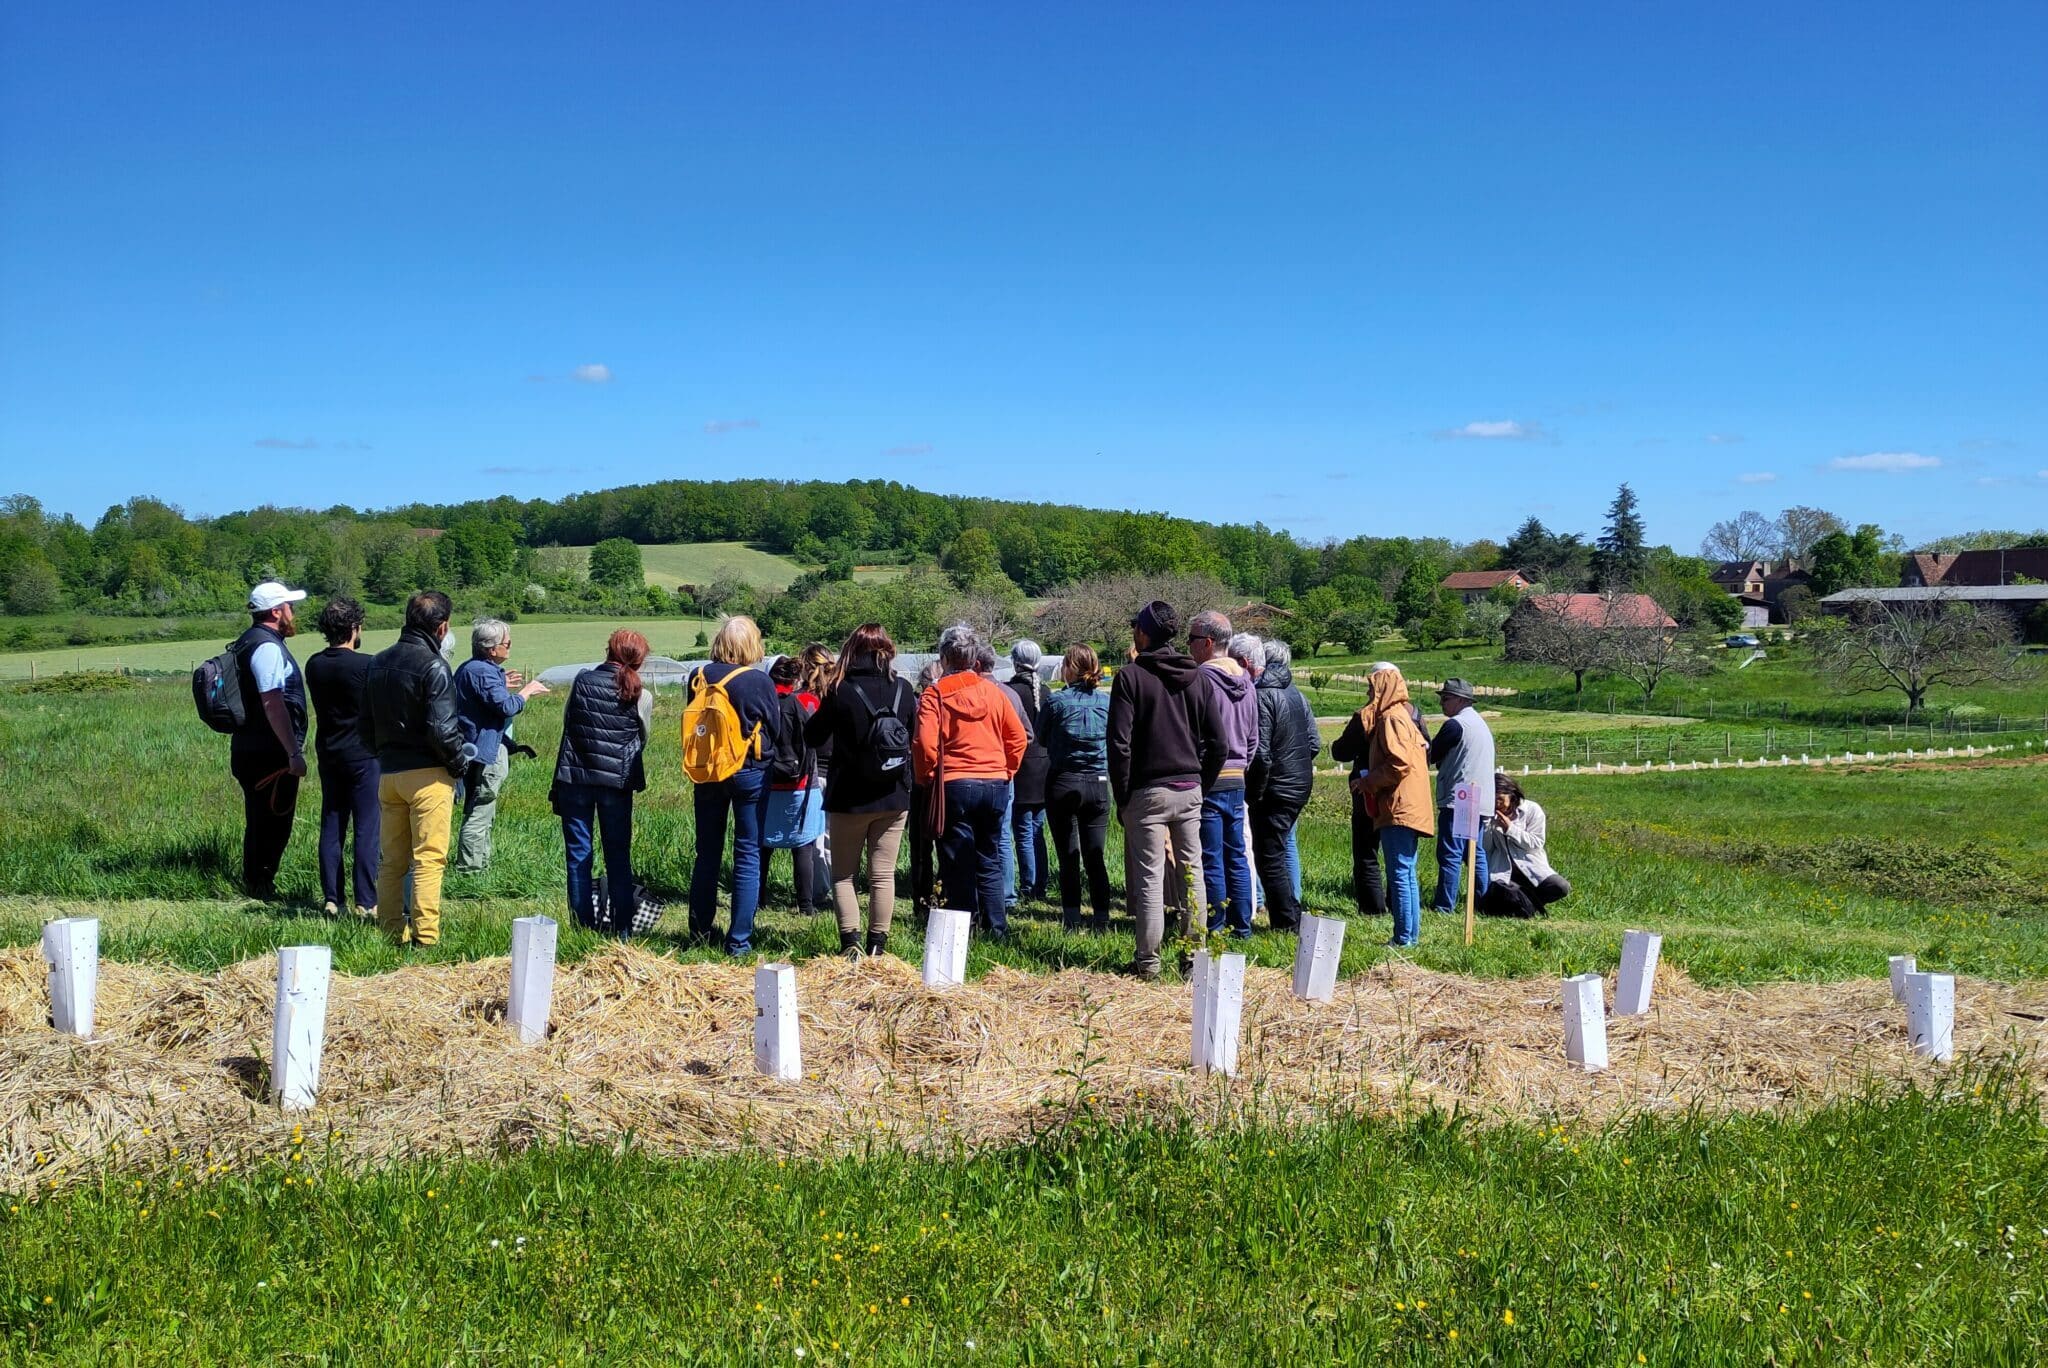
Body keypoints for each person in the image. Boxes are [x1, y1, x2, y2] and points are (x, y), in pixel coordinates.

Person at [1108, 600, 1224, 979]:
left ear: (1143, 633)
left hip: (1147, 791)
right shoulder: (1198, 677)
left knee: (1150, 878)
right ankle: (1194, 960)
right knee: (1193, 873)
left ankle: (1149, 964)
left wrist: (1122, 796)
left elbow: (1119, 744)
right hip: (1189, 788)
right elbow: (1219, 743)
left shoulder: (1130, 677)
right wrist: (1200, 785)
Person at [360, 590, 468, 947]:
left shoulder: (377, 661)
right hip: (428, 774)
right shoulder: (434, 666)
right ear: (443, 627)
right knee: (429, 859)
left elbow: (364, 724)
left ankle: (391, 931)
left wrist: (383, 753)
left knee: (392, 860)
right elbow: (442, 729)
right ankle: (426, 936)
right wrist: (458, 764)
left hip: (388, 773)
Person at [804, 623, 917, 954]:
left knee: (843, 877)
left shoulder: (841, 690)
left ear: (851, 651)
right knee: (882, 876)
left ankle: (850, 944)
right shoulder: (905, 689)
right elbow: (910, 733)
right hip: (894, 794)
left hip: (850, 798)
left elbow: (813, 736)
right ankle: (878, 946)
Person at [913, 624, 1027, 939]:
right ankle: (997, 929)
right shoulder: (995, 693)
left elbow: (924, 743)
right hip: (994, 783)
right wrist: (1006, 772)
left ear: (944, 657)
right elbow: (1017, 739)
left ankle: (962, 933)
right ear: (974, 657)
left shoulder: (934, 694)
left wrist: (928, 777)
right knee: (989, 857)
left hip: (954, 784)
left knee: (955, 862)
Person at [686, 615, 781, 956]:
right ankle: (739, 941)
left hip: (708, 770)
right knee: (747, 854)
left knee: (707, 852)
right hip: (750, 771)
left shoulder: (697, 676)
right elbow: (775, 727)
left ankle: (699, 930)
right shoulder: (757, 681)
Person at [551, 629, 653, 933]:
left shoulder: (582, 681)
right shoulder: (640, 693)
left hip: (576, 777)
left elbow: (569, 722)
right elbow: (642, 739)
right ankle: (622, 929)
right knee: (618, 857)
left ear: (607, 650)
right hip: (616, 783)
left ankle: (582, 926)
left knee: (579, 856)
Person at [228, 580, 310, 901]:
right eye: (289, 607)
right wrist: (293, 751)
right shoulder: (266, 647)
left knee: (261, 819)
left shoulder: (248, 641)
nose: (293, 613)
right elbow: (272, 702)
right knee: (273, 823)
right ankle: (261, 886)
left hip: (251, 748)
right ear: (276, 612)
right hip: (269, 753)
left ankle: (257, 882)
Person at [1330, 660, 1431, 919]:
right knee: (1402, 863)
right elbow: (1426, 751)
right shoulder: (1413, 714)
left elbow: (1340, 751)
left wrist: (1369, 777)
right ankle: (1398, 909)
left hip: (1373, 789)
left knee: (1367, 851)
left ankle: (1373, 908)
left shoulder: (1375, 716)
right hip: (1401, 791)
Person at [452, 618, 547, 874]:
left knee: (481, 808)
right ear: (491, 649)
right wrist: (526, 692)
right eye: (507, 643)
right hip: (486, 750)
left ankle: (479, 864)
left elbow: (479, 700)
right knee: (481, 809)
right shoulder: (482, 671)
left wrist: (501, 685)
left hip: (474, 748)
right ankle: (470, 869)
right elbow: (505, 707)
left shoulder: (470, 668)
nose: (510, 646)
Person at [1351, 665, 1435, 948]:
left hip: (1399, 806)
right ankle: (1408, 936)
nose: (1368, 693)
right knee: (1405, 873)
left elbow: (1398, 763)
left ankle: (1403, 938)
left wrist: (1368, 783)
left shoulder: (1391, 719)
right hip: (1407, 805)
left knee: (1399, 873)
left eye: (1372, 688)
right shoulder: (1403, 716)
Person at [304, 596, 378, 918]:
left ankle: (332, 898)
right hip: (363, 754)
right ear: (353, 628)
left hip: (329, 751)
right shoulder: (366, 665)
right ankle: (366, 900)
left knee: (332, 824)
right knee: (366, 827)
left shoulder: (314, 664)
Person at [1244, 632, 1317, 933]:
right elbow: (1313, 743)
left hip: (1275, 788)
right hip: (1298, 785)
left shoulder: (1263, 695)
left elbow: (1261, 753)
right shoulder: (1297, 694)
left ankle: (1286, 923)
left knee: (1269, 856)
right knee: (1284, 848)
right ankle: (1292, 910)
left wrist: (1255, 792)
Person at [1188, 610, 1256, 937]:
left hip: (1210, 777)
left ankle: (1215, 926)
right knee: (1237, 855)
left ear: (1208, 642)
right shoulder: (1247, 679)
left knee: (1211, 857)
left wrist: (1200, 775)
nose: (1188, 647)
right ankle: (1242, 926)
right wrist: (1241, 765)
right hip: (1238, 776)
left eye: (1192, 640)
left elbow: (1194, 734)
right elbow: (1254, 738)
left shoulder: (1201, 680)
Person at [1042, 643, 1114, 931]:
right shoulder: (1107, 703)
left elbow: (1042, 738)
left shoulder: (1056, 703)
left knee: (1068, 855)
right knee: (1096, 855)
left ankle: (1071, 918)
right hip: (1098, 781)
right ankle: (1102, 918)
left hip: (1064, 779)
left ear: (1070, 668)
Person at [758, 653, 824, 915]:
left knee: (762, 846)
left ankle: (758, 899)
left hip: (768, 782)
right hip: (803, 785)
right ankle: (805, 905)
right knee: (803, 846)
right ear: (795, 679)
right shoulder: (805, 703)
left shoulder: (762, 704)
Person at [1427, 678, 1496, 913]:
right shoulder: (1479, 723)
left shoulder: (1456, 725)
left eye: (1445, 698)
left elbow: (1433, 754)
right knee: (1474, 853)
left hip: (1460, 797)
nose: (1442, 703)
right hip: (1480, 798)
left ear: (1460, 700)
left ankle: (1445, 906)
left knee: (1450, 853)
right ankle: (1483, 902)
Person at [1479, 774, 1572, 918]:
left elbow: (1536, 843)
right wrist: (1486, 825)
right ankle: (1521, 905)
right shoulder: (1489, 816)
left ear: (1511, 794)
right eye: (1493, 800)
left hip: (1531, 867)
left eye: (1500, 799)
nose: (1497, 804)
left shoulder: (1532, 810)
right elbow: (1487, 848)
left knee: (1560, 886)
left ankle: (1525, 905)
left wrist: (1510, 829)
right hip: (1504, 871)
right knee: (1502, 891)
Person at [1005, 640, 1051, 905]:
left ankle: (1028, 885)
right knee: (1036, 829)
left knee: (1022, 831)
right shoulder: (1045, 691)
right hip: (1044, 768)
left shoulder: (1010, 693)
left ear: (1014, 661)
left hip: (1021, 768)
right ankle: (1040, 883)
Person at [907, 658, 944, 918]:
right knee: (947, 843)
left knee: (920, 846)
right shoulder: (951, 701)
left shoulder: (920, 704)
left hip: (922, 778)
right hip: (947, 779)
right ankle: (943, 898)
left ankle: (922, 902)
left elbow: (919, 742)